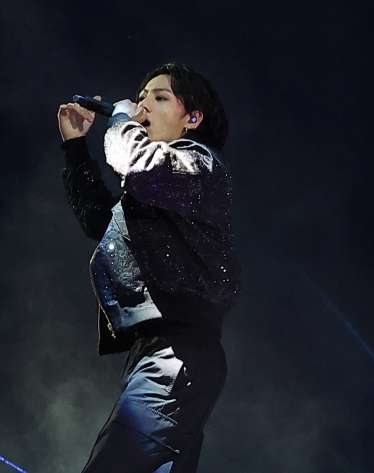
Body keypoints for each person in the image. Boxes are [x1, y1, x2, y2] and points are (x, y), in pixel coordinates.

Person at [57, 62, 241, 473]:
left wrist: (121, 118)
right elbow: (101, 223)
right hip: (157, 354)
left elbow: (135, 164)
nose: (143, 107)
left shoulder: (198, 166)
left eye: (159, 99)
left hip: (179, 354)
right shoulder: (158, 189)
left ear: (193, 118)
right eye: (140, 99)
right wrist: (75, 149)